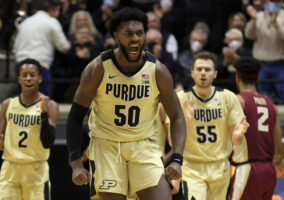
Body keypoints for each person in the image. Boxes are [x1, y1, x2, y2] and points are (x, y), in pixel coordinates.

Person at [66, 7, 186, 200]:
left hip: (144, 146)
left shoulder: (158, 71)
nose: (135, 38)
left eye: (139, 33)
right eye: (128, 34)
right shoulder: (97, 69)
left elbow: (177, 116)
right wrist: (76, 163)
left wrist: (177, 159)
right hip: (107, 147)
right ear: (116, 36)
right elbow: (74, 117)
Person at [165, 51, 249, 200]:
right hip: (192, 167)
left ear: (215, 74)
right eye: (199, 69)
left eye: (207, 69)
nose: (203, 73)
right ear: (192, 73)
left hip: (220, 167)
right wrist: (186, 122)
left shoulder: (228, 97)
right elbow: (172, 142)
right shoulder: (181, 98)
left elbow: (237, 141)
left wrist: (237, 137)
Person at [0, 58, 59, 200]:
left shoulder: (50, 105)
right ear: (19, 79)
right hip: (10, 168)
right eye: (24, 75)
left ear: (39, 78)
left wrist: (44, 114)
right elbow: (2, 144)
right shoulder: (7, 104)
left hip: (35, 169)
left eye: (32, 75)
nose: (28, 78)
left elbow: (48, 142)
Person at [229, 57, 284, 200]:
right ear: (258, 78)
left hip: (247, 169)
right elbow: (279, 148)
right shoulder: (271, 105)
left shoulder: (238, 101)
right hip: (269, 171)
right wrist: (276, 164)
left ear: (237, 78)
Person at [13, 0, 70, 95]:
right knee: (41, 101)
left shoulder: (26, 22)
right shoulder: (52, 22)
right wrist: (70, 43)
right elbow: (64, 47)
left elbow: (15, 47)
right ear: (55, 9)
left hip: (20, 65)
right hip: (40, 65)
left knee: (25, 100)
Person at [245, 0, 284, 104]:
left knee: (282, 92)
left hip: (280, 63)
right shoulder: (258, 16)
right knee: (261, 97)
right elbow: (249, 35)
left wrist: (276, 25)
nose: (271, 4)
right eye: (269, 1)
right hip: (261, 63)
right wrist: (253, 20)